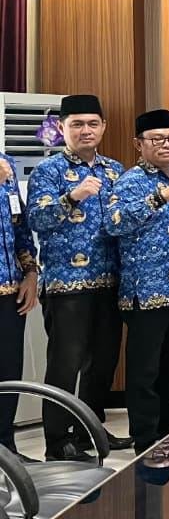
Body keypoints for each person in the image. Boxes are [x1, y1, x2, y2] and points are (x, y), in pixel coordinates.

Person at [26, 94, 131, 458]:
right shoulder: (48, 172)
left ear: (103, 127)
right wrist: (72, 197)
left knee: (102, 364)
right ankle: (58, 442)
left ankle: (88, 431)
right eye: (76, 124)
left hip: (109, 281)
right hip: (66, 285)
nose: (85, 130)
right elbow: (37, 220)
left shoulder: (116, 171)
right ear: (61, 128)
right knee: (64, 365)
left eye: (92, 123)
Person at [105, 109, 169, 453]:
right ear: (138, 144)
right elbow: (114, 222)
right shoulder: (130, 181)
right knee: (145, 371)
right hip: (147, 293)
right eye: (157, 139)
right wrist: (159, 198)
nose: (166, 145)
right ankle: (145, 439)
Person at [0, 150, 38, 460]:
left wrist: (30, 272)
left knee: (9, 370)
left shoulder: (6, 163)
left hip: (9, 289)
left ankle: (6, 449)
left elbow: (20, 227)